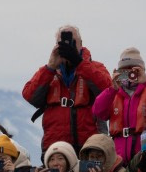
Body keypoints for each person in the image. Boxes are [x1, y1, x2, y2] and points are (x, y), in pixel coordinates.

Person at [22, 25, 112, 156]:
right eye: (62, 42)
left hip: (90, 147)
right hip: (56, 148)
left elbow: (108, 91)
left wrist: (79, 63)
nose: (68, 44)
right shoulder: (48, 71)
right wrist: (50, 67)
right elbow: (30, 96)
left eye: (73, 41)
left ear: (81, 44)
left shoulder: (95, 67)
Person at [92, 47, 146, 165]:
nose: (129, 74)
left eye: (133, 70)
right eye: (124, 70)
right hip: (118, 154)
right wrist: (112, 89)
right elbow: (98, 111)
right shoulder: (113, 92)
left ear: (141, 70)